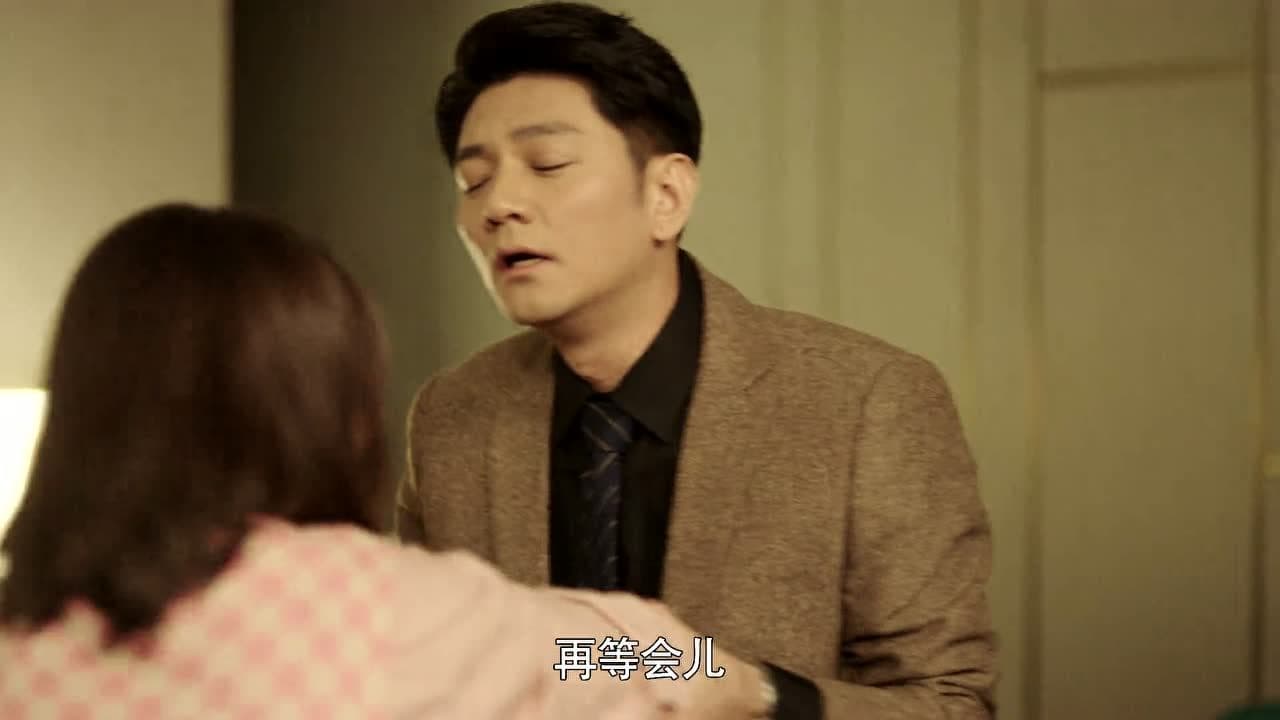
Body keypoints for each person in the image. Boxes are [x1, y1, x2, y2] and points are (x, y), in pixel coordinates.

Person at [394, 2, 998, 718]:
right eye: (473, 182)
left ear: (667, 195)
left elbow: (951, 704)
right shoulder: (450, 418)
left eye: (547, 164)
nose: (500, 204)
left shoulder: (866, 400)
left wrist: (753, 691)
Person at [0, 204, 774, 719]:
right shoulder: (384, 609)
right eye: (474, 176)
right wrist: (747, 682)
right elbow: (648, 663)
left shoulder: (21, 637)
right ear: (328, 401)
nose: (498, 207)